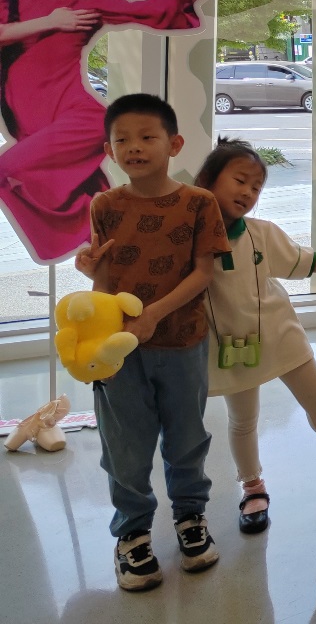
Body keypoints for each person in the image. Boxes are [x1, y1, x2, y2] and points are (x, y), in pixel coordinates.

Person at [73, 94, 231, 592]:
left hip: (182, 341)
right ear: (109, 150)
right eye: (122, 140)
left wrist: (154, 315)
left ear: (174, 144)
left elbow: (203, 273)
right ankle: (132, 533)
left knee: (187, 437)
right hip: (119, 349)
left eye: (147, 137)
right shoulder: (105, 205)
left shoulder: (198, 203)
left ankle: (190, 517)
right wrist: (92, 276)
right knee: (124, 443)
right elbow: (105, 281)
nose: (134, 148)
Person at [196, 138, 316, 535]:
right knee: (243, 420)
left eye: (256, 187)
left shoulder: (262, 233)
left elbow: (306, 262)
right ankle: (253, 488)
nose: (248, 192)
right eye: (239, 180)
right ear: (208, 181)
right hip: (229, 347)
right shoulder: (186, 239)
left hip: (281, 334)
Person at [0, 0, 223, 262]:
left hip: (81, 119)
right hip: (34, 125)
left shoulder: (84, 9)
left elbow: (153, 8)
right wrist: (50, 22)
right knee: (99, 208)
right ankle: (140, 256)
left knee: (6, 171)